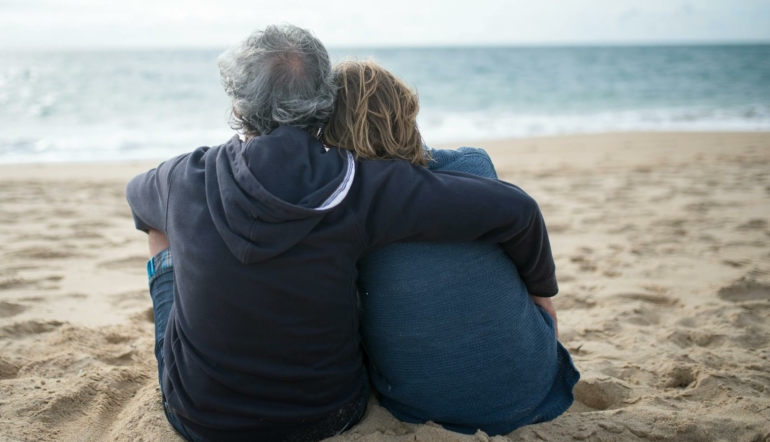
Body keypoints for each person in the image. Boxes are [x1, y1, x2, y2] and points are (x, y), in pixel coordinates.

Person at [126, 25, 557, 442]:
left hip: (202, 420)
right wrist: (543, 296)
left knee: (163, 231)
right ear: (322, 102)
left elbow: (137, 198)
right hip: (329, 415)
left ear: (238, 107)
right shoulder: (360, 186)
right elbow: (516, 208)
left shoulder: (180, 177)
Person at [322, 59, 579, 436]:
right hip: (530, 385)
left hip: (422, 406)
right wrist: (544, 297)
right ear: (409, 111)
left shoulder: (339, 207)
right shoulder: (472, 167)